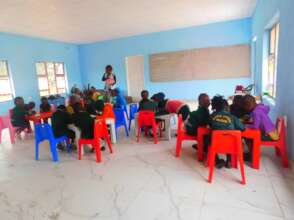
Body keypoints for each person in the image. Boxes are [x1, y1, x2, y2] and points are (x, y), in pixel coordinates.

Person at [209, 95, 245, 169]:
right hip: (231, 145)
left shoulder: (212, 116)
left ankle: (217, 160)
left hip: (215, 144)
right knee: (230, 136)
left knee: (209, 137)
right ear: (225, 107)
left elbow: (209, 125)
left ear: (214, 107)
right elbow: (242, 128)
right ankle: (229, 160)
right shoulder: (232, 117)